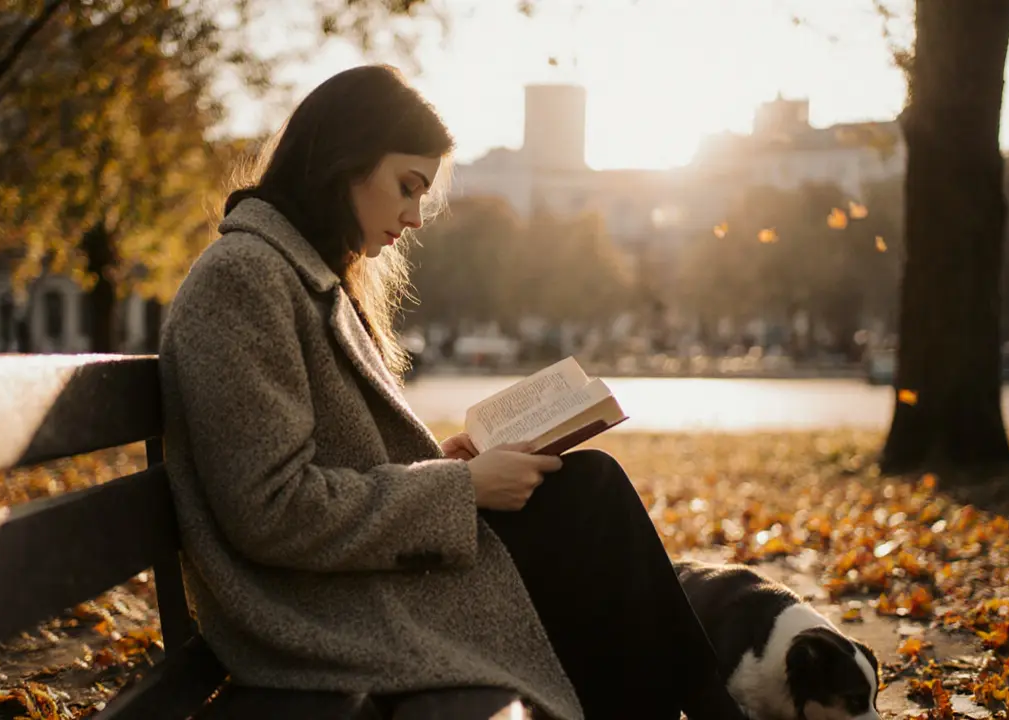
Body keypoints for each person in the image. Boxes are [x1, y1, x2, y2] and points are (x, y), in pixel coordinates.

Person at [158, 65, 743, 720]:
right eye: (407, 189)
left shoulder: (299, 272)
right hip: (313, 607)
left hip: (352, 581)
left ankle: (707, 706)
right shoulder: (246, 278)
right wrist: (461, 491)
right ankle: (715, 708)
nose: (412, 218)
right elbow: (271, 511)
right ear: (345, 160)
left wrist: (446, 467)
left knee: (588, 496)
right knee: (590, 504)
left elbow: (331, 467)